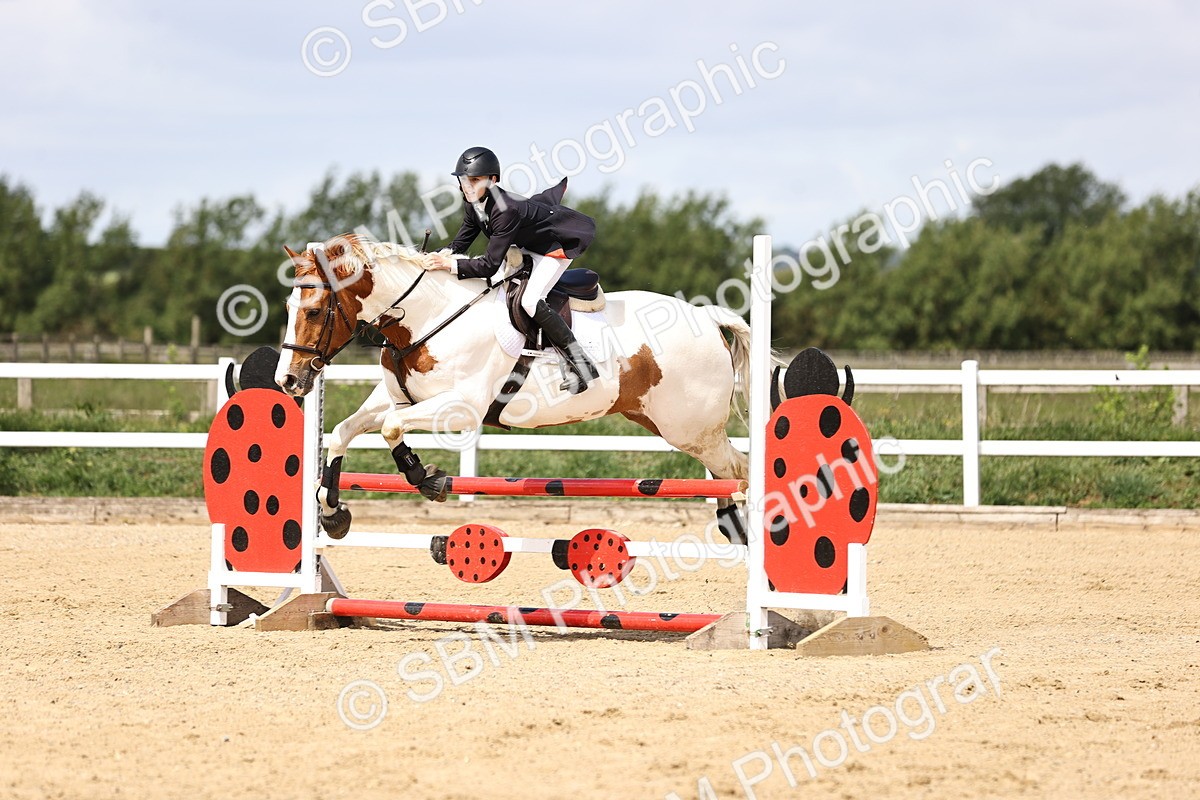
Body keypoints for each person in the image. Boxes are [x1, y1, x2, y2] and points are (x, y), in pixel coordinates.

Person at [423, 146, 600, 393]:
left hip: (554, 246)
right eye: (464, 180)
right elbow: (459, 244)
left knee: (529, 301)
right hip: (529, 246)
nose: (467, 186)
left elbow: (488, 265)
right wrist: (434, 256)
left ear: (492, 180)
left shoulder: (506, 210)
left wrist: (449, 265)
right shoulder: (472, 204)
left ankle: (580, 364)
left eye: (475, 180)